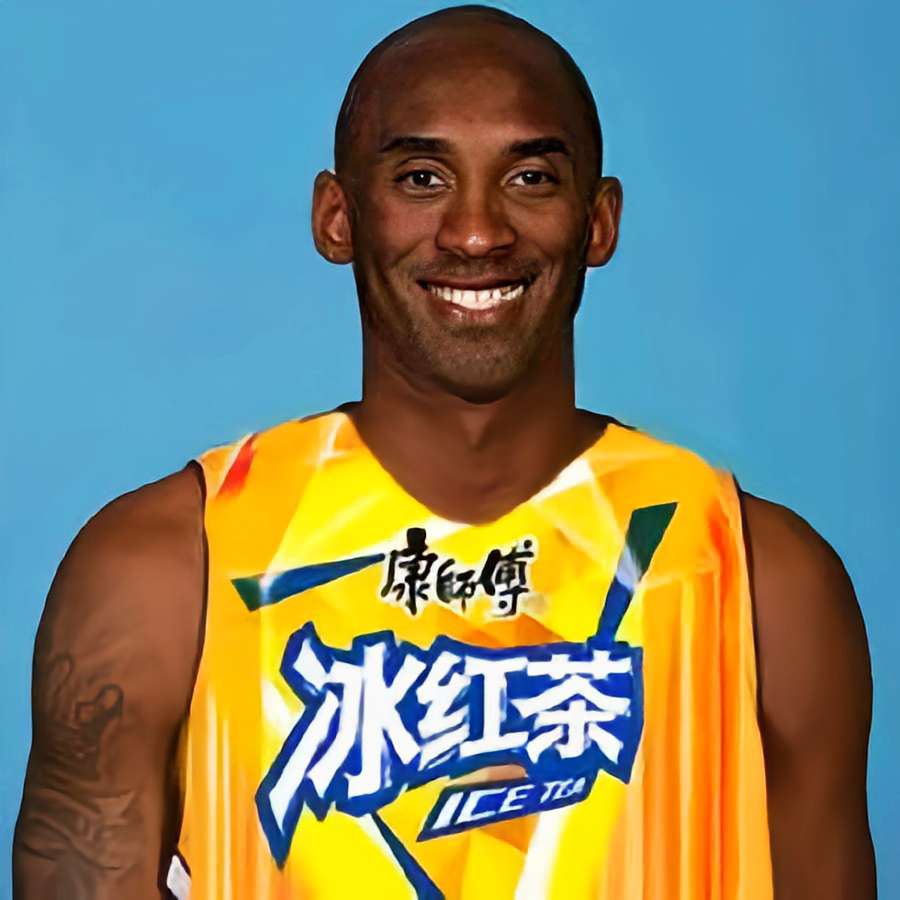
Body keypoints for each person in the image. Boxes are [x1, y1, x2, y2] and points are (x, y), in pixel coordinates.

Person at [13, 6, 876, 898]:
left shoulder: (762, 581)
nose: (475, 232)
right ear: (338, 218)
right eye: (422, 178)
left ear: (598, 222)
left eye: (530, 178)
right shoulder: (160, 574)